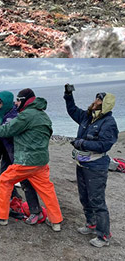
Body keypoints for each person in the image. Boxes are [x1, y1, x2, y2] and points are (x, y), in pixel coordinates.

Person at [0, 88, 63, 231]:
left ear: (25, 101)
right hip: (41, 162)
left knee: (4, 180)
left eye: (18, 100)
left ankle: (0, 217)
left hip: (26, 161)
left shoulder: (25, 116)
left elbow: (5, 130)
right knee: (47, 189)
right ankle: (56, 221)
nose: (15, 103)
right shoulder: (43, 115)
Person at [64, 84, 118, 249]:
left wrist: (81, 143)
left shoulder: (108, 122)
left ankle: (104, 235)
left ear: (104, 103)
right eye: (95, 98)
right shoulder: (87, 117)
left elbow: (104, 145)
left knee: (97, 200)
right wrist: (68, 95)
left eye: (98, 99)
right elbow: (72, 110)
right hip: (82, 163)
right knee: (85, 197)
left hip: (96, 166)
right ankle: (91, 224)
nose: (94, 101)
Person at [0, 91, 43, 224]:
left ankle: (35, 211)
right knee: (4, 176)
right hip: (6, 152)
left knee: (25, 181)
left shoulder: (14, 116)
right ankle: (12, 201)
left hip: (17, 153)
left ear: (6, 102)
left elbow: (4, 130)